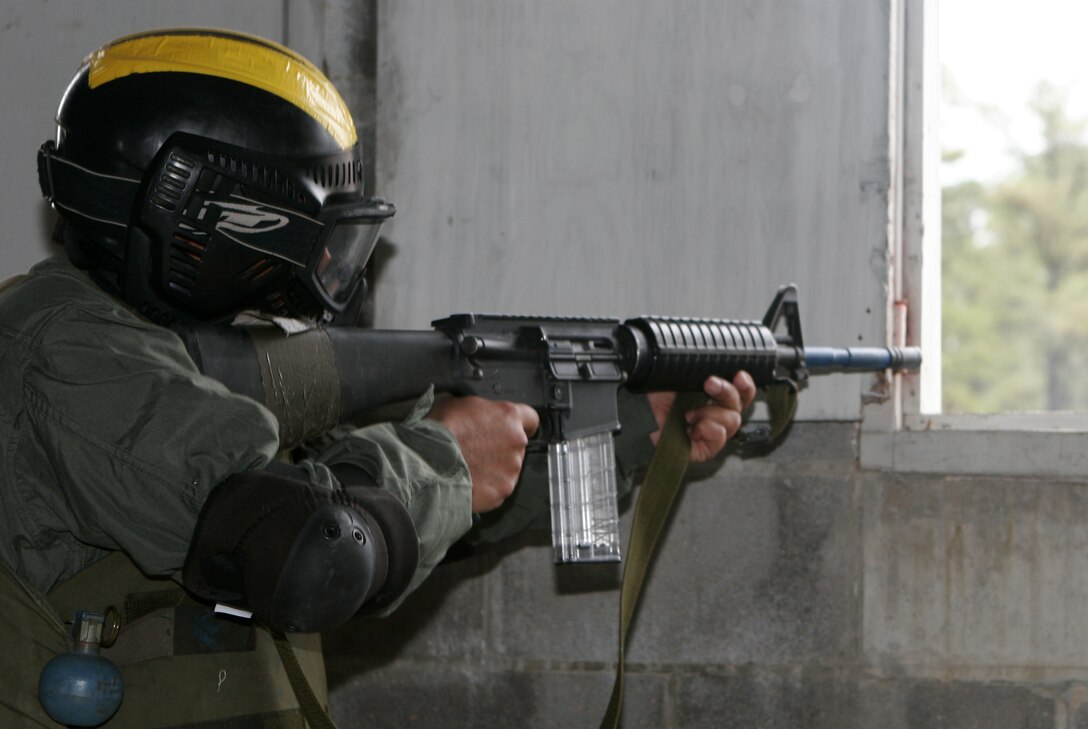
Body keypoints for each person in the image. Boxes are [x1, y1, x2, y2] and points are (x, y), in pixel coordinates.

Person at [0, 28, 755, 728]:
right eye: (315, 237)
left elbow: (375, 510)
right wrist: (449, 457)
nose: (329, 271)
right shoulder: (62, 353)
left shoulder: (163, 349)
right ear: (208, 223)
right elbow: (316, 549)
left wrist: (634, 430)